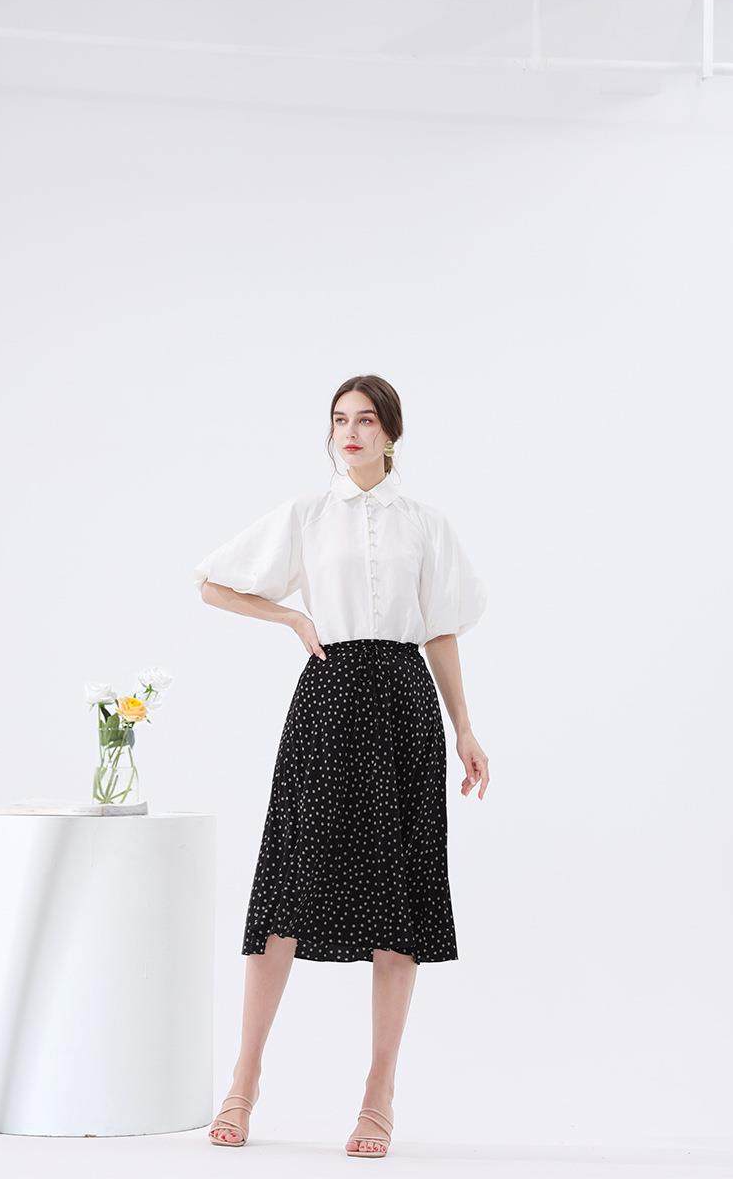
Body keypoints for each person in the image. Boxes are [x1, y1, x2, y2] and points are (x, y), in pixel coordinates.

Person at [194, 374, 490, 1155]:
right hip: (328, 700)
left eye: (364, 420)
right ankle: (244, 1081)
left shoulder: (424, 523)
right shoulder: (306, 515)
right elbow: (213, 584)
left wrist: (464, 728)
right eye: (338, 420)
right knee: (287, 891)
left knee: (398, 897)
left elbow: (441, 630)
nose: (349, 433)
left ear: (391, 433)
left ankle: (377, 1095)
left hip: (403, 704)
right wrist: (291, 617)